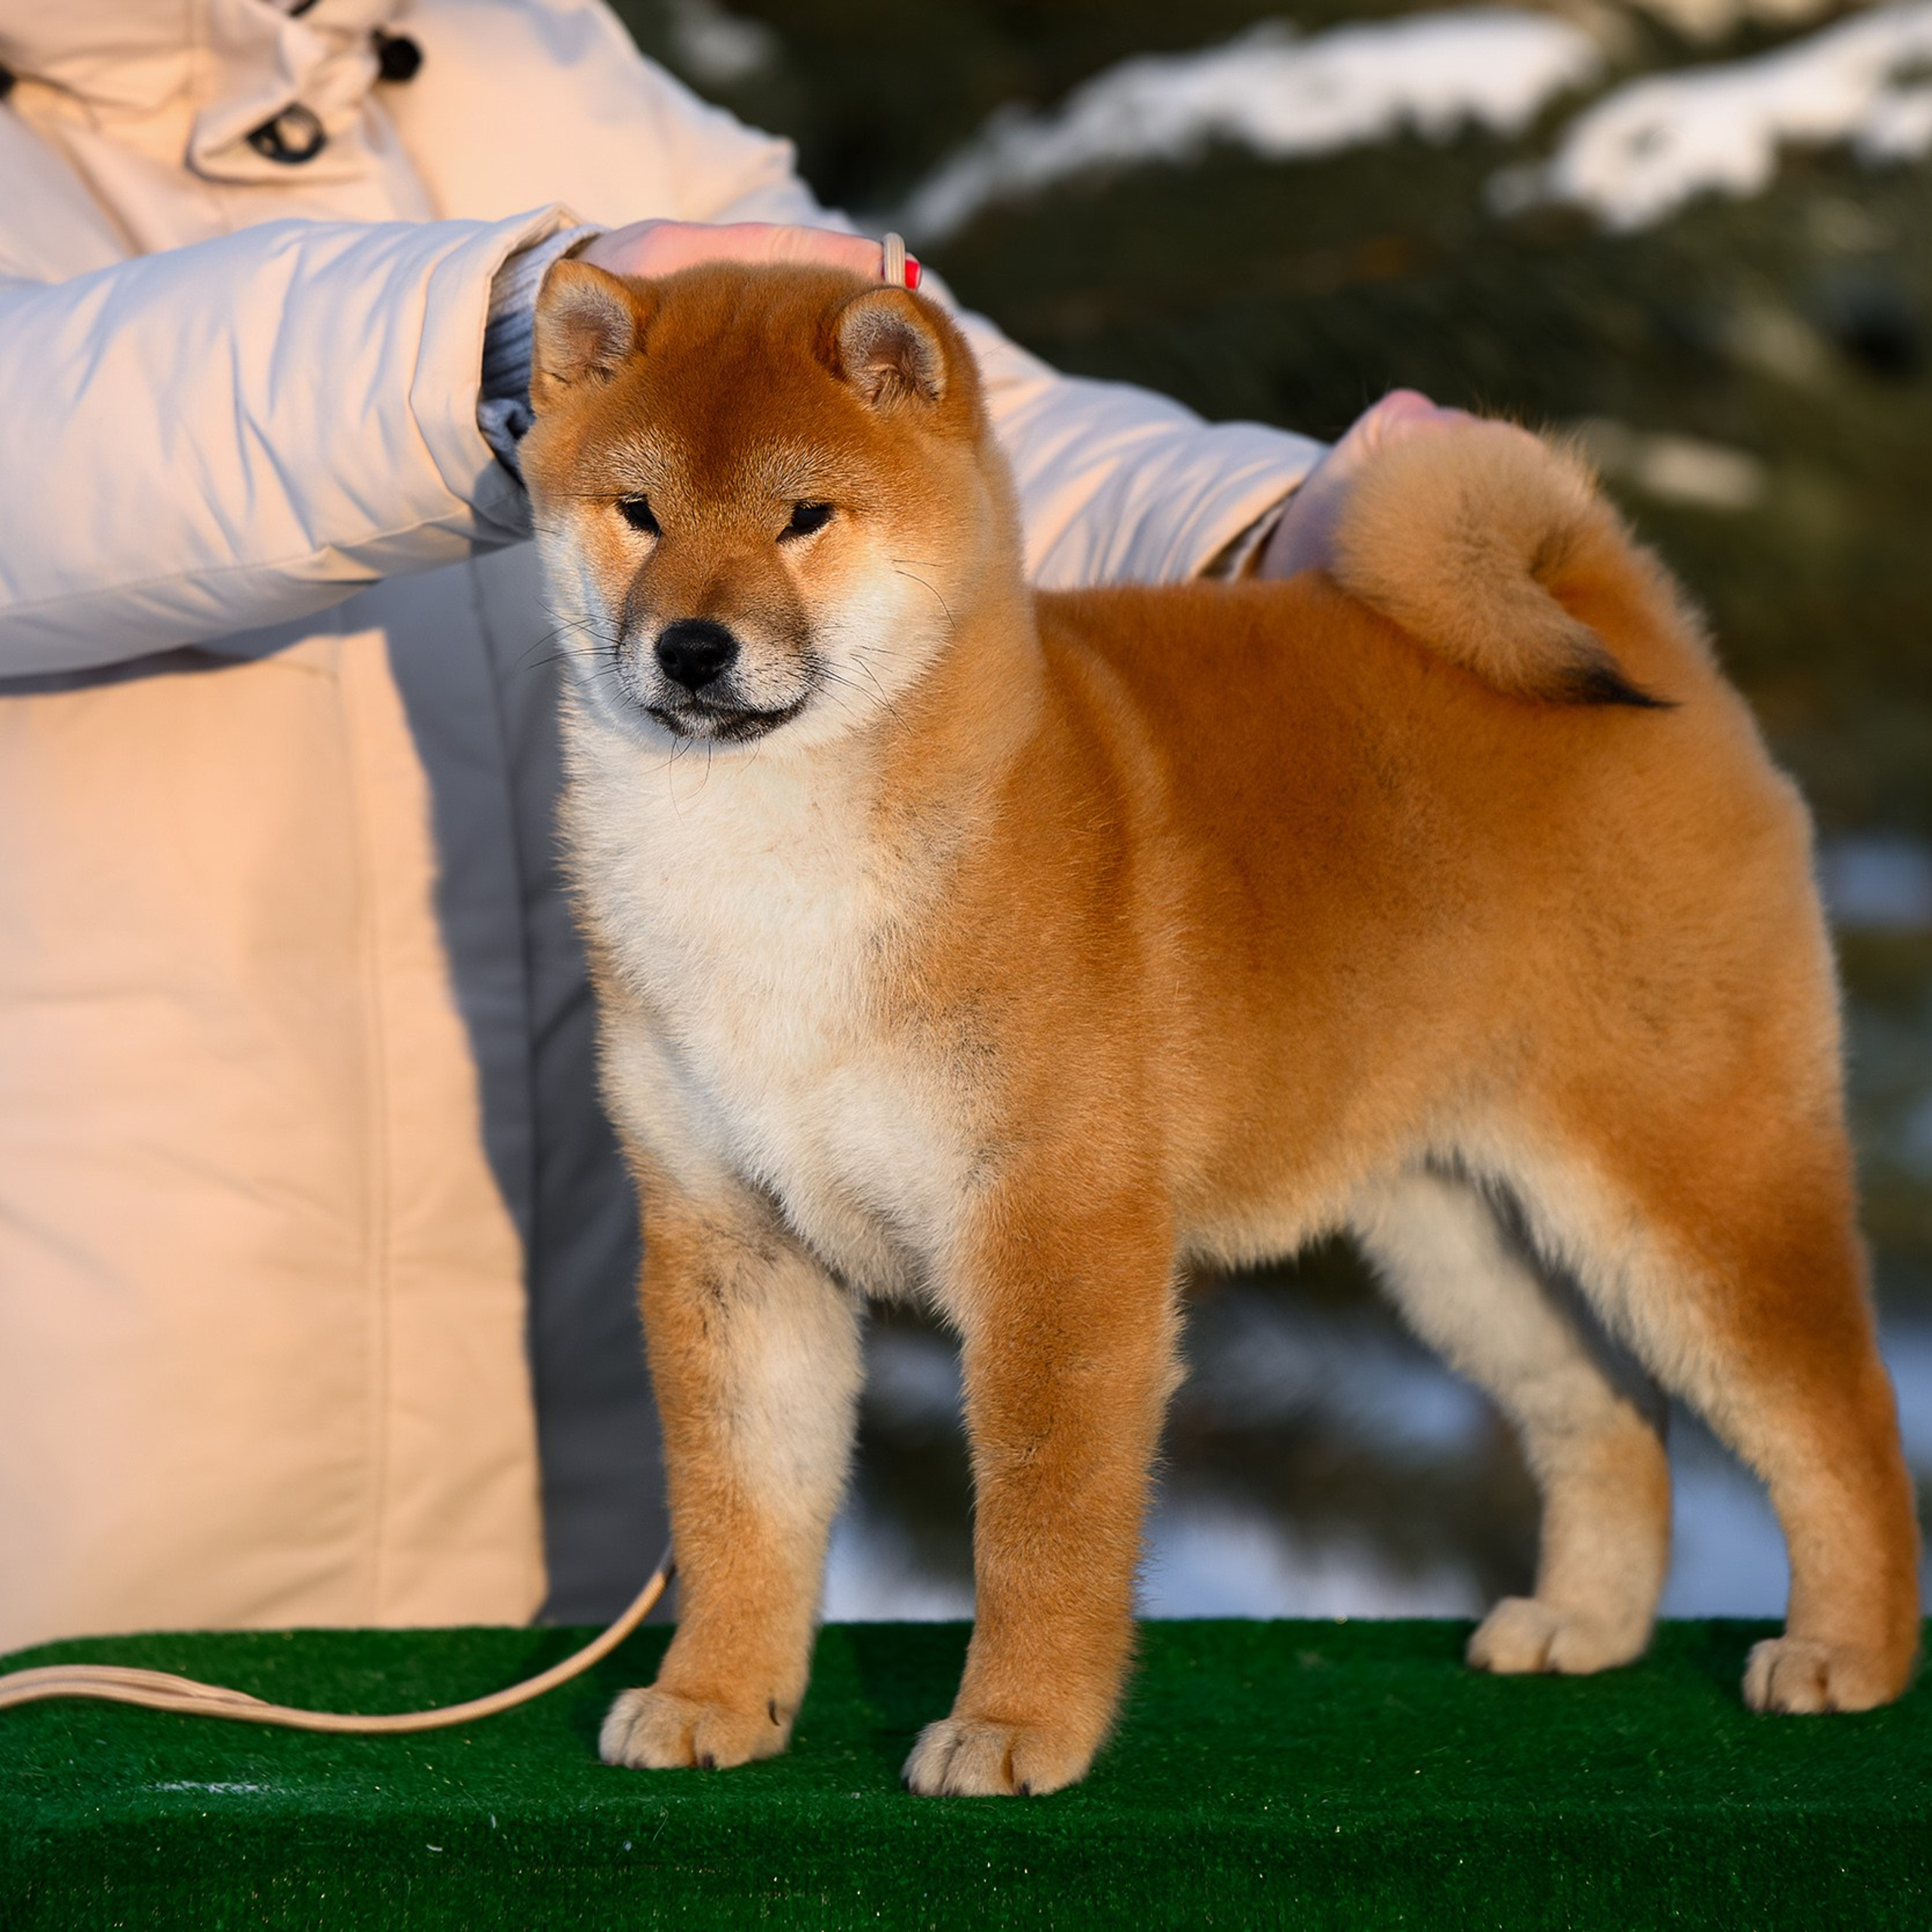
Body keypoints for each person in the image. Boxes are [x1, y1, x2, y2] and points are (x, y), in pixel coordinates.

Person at [0, 0, 1448, 1653]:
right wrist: (491, 354)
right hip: (126, 1401)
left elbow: (893, 421)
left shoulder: (506, 58)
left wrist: (1252, 534)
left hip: (588, 1375)